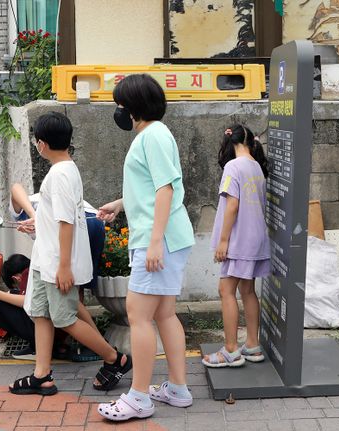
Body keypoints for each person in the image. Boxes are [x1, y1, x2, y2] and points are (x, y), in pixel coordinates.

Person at [9, 112, 131, 397]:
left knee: (64, 318)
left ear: (41, 144)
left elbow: (66, 222)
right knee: (40, 313)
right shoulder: (63, 170)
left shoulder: (61, 175)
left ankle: (116, 360)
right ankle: (42, 375)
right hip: (44, 258)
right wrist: (38, 221)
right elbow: (56, 218)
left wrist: (64, 267)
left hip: (55, 262)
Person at [97, 74, 195, 421]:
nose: (118, 110)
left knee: (138, 315)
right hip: (168, 237)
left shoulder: (151, 136)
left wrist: (154, 243)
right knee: (164, 313)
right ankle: (178, 388)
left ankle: (138, 396)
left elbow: (165, 189)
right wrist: (119, 205)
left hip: (159, 240)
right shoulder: (155, 135)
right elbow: (151, 186)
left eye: (120, 104)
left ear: (133, 106)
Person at [0, 254, 104, 365]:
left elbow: (28, 301)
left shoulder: (28, 275)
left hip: (45, 329)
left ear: (16, 278)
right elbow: (77, 304)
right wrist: (99, 339)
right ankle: (39, 347)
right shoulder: (47, 267)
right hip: (60, 331)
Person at [10, 183, 105, 361]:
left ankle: (100, 348)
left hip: (78, 223)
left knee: (67, 291)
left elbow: (15, 187)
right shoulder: (38, 213)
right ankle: (88, 343)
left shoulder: (29, 208)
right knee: (75, 291)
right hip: (94, 221)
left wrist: (34, 215)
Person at [202, 125, 270, 368]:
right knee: (248, 291)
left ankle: (231, 349)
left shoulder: (233, 167)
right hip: (256, 239)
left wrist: (223, 241)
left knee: (226, 291)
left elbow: (232, 205)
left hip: (238, 240)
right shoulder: (256, 168)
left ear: (230, 143)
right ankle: (252, 344)